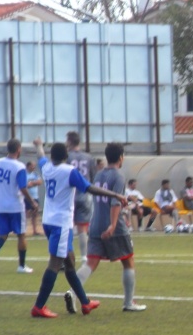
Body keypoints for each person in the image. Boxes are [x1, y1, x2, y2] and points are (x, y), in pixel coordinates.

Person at [30, 137, 127, 318]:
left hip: (49, 221)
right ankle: (39, 306)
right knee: (55, 263)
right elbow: (90, 188)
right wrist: (115, 194)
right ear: (66, 156)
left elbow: (40, 156)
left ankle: (85, 302)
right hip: (60, 223)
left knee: (69, 262)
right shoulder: (69, 171)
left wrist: (39, 145)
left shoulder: (46, 167)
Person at [64, 143, 147, 314]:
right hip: (113, 226)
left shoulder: (99, 174)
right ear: (121, 157)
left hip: (95, 224)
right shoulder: (119, 176)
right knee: (128, 261)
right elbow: (115, 203)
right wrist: (113, 225)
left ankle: (72, 292)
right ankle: (128, 302)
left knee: (91, 262)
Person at [0, 138, 38, 275]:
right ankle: (21, 266)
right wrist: (32, 202)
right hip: (15, 206)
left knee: (3, 234)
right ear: (18, 149)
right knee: (21, 235)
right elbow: (22, 187)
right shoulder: (19, 166)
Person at [66, 131, 97, 263]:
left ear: (69, 141)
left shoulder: (67, 157)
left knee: (67, 226)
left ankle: (66, 256)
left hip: (70, 195)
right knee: (83, 228)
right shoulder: (89, 157)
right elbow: (93, 177)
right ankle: (84, 257)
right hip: (85, 195)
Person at [25, 161, 43, 236]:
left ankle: (35, 231)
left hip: (35, 196)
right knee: (25, 213)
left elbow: (40, 182)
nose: (34, 167)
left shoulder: (35, 174)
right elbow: (24, 185)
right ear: (28, 166)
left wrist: (32, 183)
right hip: (26, 197)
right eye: (32, 166)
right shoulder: (24, 174)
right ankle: (22, 230)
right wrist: (29, 185)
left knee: (35, 213)